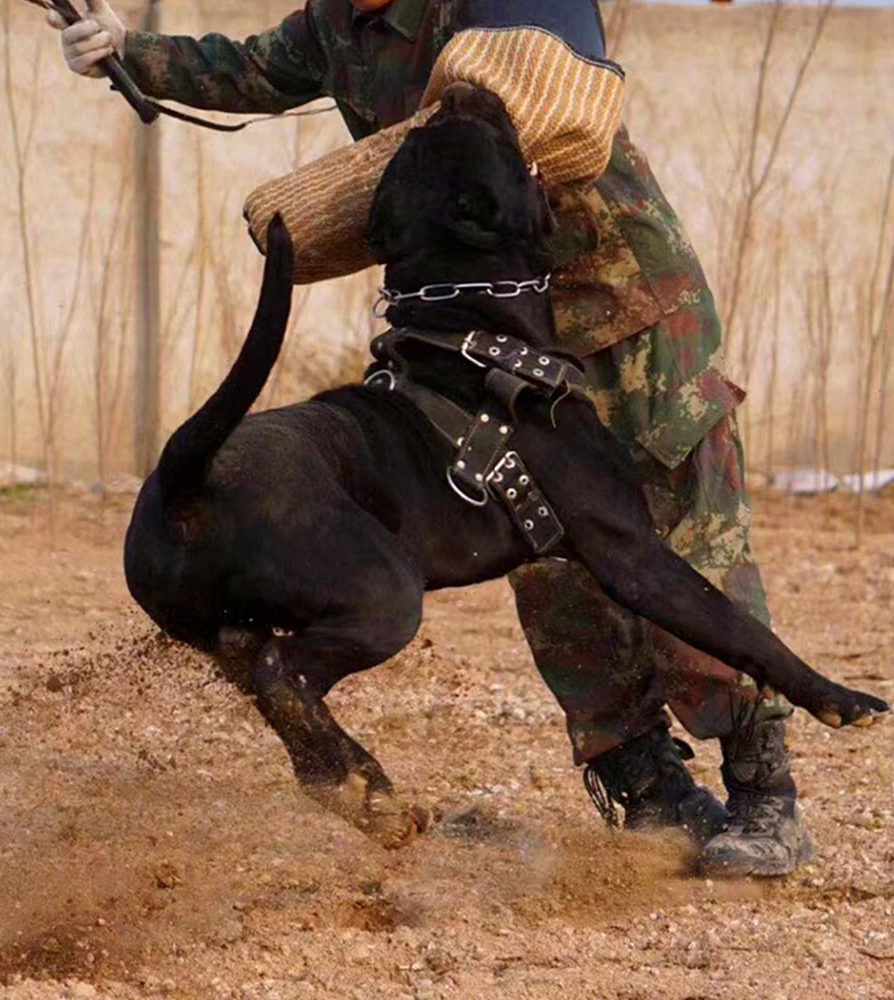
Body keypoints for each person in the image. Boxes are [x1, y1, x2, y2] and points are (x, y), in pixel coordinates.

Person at [47, 0, 813, 876]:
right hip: (484, 340)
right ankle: (650, 792)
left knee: (684, 540)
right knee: (550, 568)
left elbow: (560, 65)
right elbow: (248, 68)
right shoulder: (335, 25)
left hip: (624, 307)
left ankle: (763, 791)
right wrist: (128, 50)